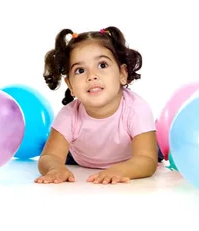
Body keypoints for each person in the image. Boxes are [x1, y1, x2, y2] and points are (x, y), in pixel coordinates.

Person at [35, 26, 163, 185]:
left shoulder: (136, 109)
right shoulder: (69, 115)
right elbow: (48, 157)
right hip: (81, 158)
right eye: (80, 70)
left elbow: (146, 160)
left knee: (151, 153)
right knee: (51, 148)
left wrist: (120, 170)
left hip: (132, 156)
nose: (92, 76)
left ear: (122, 74)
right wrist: (55, 168)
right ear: (70, 85)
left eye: (102, 65)